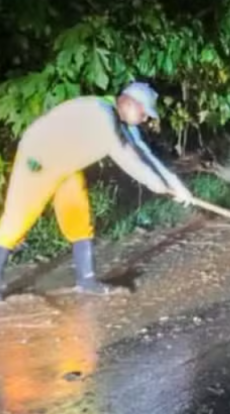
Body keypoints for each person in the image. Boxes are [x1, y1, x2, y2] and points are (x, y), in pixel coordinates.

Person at [0, 82, 193, 300]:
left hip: (66, 164)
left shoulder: (117, 117)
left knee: (78, 217)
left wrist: (175, 184)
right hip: (39, 159)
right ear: (129, 103)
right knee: (16, 222)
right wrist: (157, 185)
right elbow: (127, 157)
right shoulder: (102, 116)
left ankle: (87, 280)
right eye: (144, 113)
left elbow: (143, 151)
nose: (146, 119)